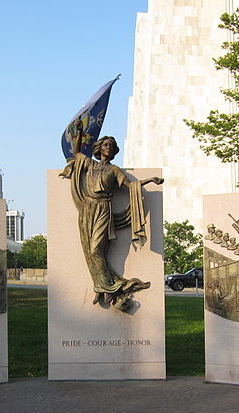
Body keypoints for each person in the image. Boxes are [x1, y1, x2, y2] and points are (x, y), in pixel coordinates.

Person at [60, 124, 163, 311]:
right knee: (89, 251)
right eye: (105, 144)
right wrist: (81, 133)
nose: (108, 147)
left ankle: (105, 287)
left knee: (96, 250)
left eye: (111, 145)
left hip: (103, 209)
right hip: (86, 208)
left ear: (114, 151)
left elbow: (131, 186)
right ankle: (106, 287)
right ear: (99, 148)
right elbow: (76, 153)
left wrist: (150, 180)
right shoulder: (90, 164)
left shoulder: (114, 170)